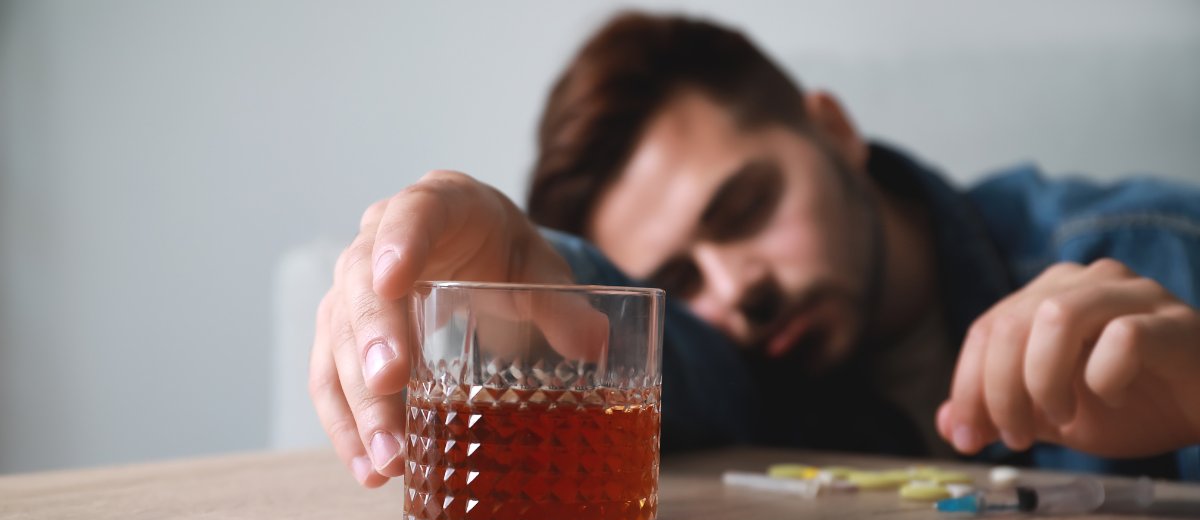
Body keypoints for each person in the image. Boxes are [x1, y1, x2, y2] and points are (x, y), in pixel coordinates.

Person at [308, 12, 1200, 488]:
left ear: (834, 128)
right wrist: (521, 285)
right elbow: (644, 343)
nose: (738, 291)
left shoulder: (1152, 253)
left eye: (747, 206)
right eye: (678, 280)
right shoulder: (727, 372)